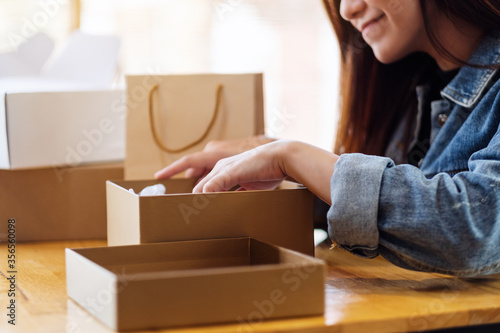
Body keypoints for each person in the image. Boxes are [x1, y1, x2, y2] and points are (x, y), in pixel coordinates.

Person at [155, 0, 500, 278]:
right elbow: (407, 216)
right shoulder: (415, 86)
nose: (347, 9)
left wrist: (292, 156)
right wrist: (278, 164)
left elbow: (476, 232)